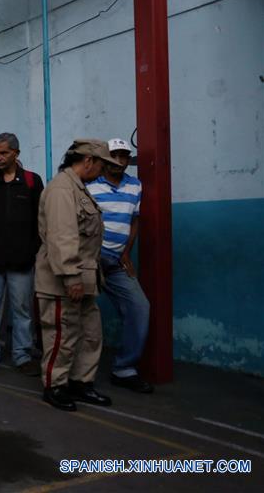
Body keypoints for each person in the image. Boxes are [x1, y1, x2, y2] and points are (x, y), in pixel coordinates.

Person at [35, 139, 118, 412]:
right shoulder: (62, 189)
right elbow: (62, 237)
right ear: (88, 160)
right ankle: (55, 386)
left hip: (84, 279)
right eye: (103, 164)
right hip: (64, 280)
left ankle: (80, 383)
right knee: (63, 335)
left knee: (90, 334)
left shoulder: (78, 188)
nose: (104, 170)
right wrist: (71, 277)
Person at [0, 133, 44, 377]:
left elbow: (40, 221)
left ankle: (22, 356)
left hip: (22, 262)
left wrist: (31, 250)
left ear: (16, 153)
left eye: (3, 153)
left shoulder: (33, 182)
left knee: (23, 311)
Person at [87, 138, 154, 394]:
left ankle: (124, 368)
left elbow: (134, 221)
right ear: (104, 159)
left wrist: (127, 252)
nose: (119, 160)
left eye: (124, 156)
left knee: (140, 307)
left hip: (116, 263)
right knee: (82, 314)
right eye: (114, 155)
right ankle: (78, 374)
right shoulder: (90, 187)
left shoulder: (135, 186)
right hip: (92, 261)